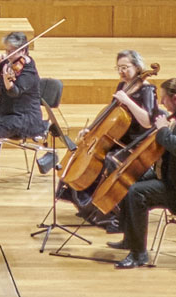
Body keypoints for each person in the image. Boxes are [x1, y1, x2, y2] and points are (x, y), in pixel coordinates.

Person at [106, 78, 176, 269]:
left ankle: (139, 255)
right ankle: (130, 240)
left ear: (175, 98)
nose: (162, 103)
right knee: (128, 179)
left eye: (164, 98)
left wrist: (163, 128)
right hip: (172, 176)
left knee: (136, 193)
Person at [55, 50, 160, 232]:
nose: (121, 72)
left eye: (125, 67)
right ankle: (89, 208)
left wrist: (128, 101)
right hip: (116, 136)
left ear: (137, 67)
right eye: (118, 68)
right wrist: (91, 129)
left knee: (109, 160)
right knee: (81, 159)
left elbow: (147, 121)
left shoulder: (147, 89)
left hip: (134, 141)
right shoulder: (122, 85)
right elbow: (112, 114)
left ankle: (113, 214)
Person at [0, 31, 44, 194]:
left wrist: (7, 81)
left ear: (23, 51)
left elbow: (14, 92)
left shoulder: (29, 71)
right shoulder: (9, 62)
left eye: (12, 51)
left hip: (24, 117)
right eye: (7, 50)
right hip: (4, 113)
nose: (8, 54)